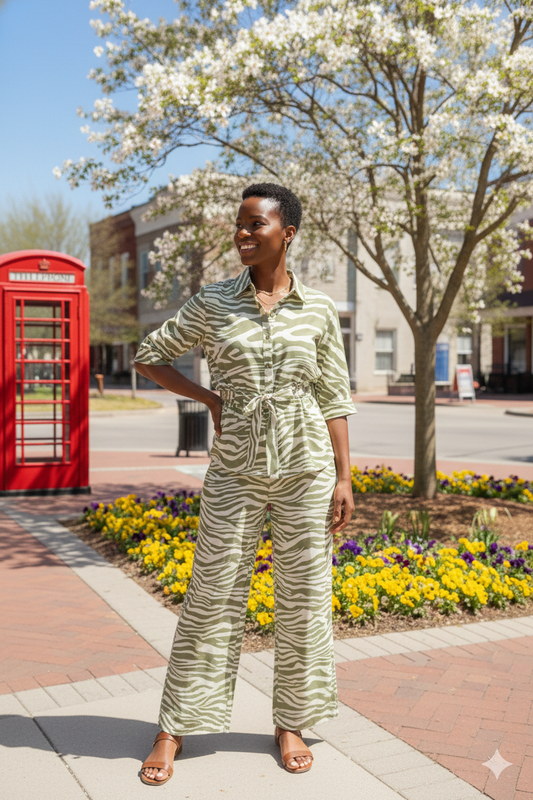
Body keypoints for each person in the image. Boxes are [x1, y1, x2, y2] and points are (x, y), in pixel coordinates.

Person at [133, 183, 356, 785]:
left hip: (306, 468)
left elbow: (333, 395)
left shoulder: (318, 310)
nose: (243, 233)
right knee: (211, 596)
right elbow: (149, 354)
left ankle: (291, 723)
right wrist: (208, 397)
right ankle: (173, 726)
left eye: (256, 224)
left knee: (305, 600)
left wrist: (343, 475)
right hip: (234, 471)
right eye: (239, 224)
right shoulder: (213, 303)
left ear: (287, 233)